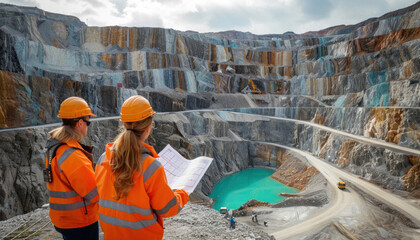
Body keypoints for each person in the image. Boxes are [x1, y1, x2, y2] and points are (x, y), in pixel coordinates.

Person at [95, 95, 189, 240]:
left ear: (124, 124)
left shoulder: (104, 158)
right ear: (149, 127)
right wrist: (182, 193)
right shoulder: (151, 167)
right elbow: (168, 209)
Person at [44, 96, 99, 240]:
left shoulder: (55, 147)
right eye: (88, 122)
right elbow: (94, 193)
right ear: (80, 123)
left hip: (62, 218)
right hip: (80, 222)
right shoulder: (73, 156)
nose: (88, 125)